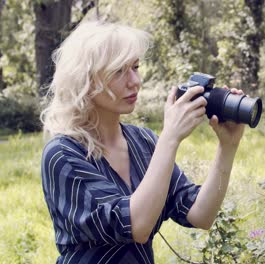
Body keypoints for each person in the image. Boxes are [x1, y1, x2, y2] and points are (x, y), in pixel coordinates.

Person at [40, 20, 245, 263]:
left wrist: (228, 146)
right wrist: (170, 138)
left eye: (135, 67)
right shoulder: (63, 154)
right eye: (118, 71)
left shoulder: (144, 142)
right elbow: (136, 225)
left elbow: (201, 215)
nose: (134, 81)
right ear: (85, 79)